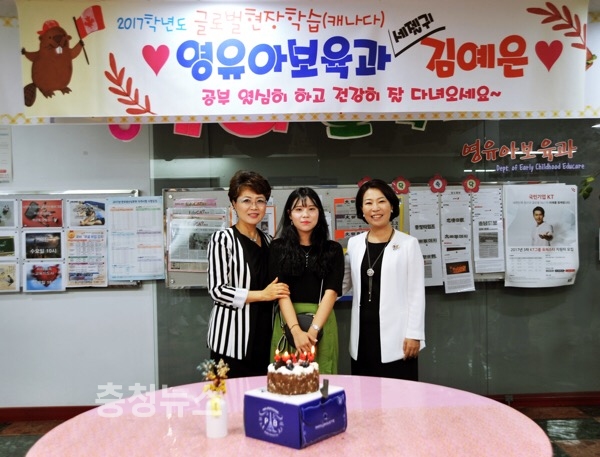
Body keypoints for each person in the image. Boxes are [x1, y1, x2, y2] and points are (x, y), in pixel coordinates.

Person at [206, 170, 290, 378]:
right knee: (229, 395)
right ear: (234, 203)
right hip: (231, 340)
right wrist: (263, 295)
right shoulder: (222, 239)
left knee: (261, 393)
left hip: (265, 335)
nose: (254, 207)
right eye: (246, 200)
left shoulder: (270, 242)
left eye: (260, 201)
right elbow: (218, 290)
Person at [343, 179, 425, 380]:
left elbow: (416, 293)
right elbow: (343, 284)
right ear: (361, 210)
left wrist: (414, 334)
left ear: (392, 206)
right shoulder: (354, 244)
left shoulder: (408, 244)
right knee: (365, 391)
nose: (375, 208)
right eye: (368, 203)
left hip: (398, 336)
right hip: (362, 334)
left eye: (381, 201)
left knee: (399, 392)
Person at [269, 187, 344, 374]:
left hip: (322, 321)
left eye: (311, 209)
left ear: (319, 213)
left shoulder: (333, 249)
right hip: (288, 321)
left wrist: (313, 332)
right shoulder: (277, 248)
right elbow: (281, 291)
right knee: (285, 380)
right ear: (290, 214)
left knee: (322, 379)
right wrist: (295, 331)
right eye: (299, 209)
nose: (305, 215)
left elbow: (331, 292)